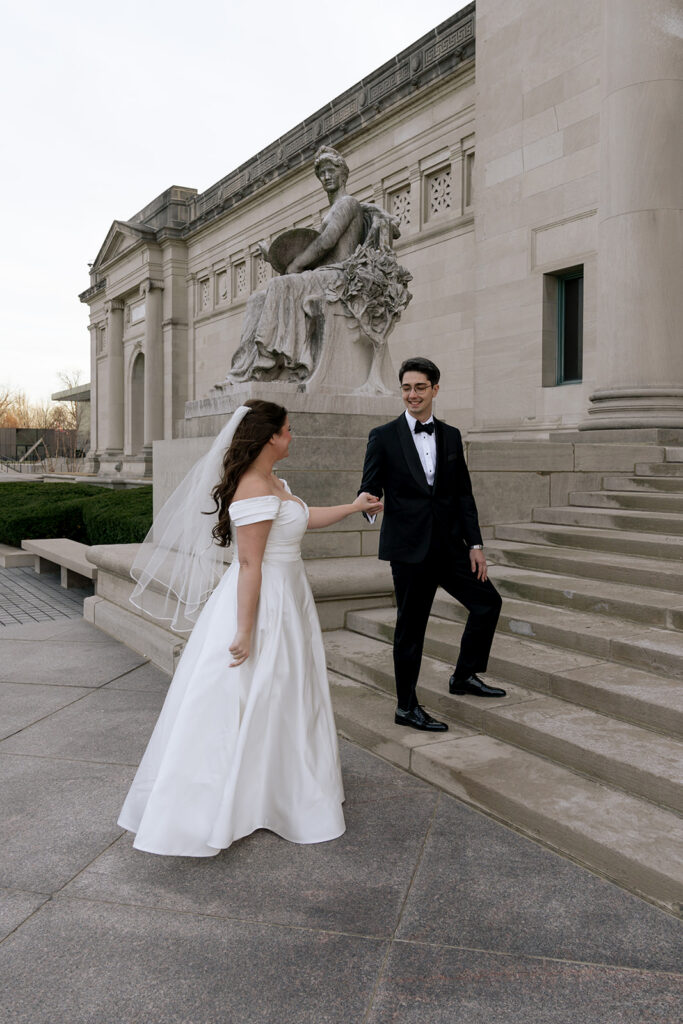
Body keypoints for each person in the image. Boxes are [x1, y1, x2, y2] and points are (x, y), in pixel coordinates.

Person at [118, 399, 382, 855]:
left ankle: (280, 788)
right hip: (267, 602)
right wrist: (244, 630)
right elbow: (248, 563)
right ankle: (233, 798)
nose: (292, 435)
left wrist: (352, 505)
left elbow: (303, 519)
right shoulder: (254, 490)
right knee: (259, 689)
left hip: (289, 595)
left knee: (285, 690)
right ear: (269, 438)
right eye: (287, 429)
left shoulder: (276, 484)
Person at [358, 357, 505, 732]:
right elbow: (369, 489)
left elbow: (463, 495)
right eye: (406, 387)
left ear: (434, 389)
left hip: (450, 547)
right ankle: (406, 707)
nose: (412, 394)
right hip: (408, 551)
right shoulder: (383, 436)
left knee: (487, 603)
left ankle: (464, 676)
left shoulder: (452, 435)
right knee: (411, 629)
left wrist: (475, 544)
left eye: (420, 387)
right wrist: (370, 506)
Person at [224, 146, 367, 383]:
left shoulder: (348, 204)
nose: (326, 177)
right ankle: (245, 368)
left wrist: (294, 266)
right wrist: (274, 257)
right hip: (321, 274)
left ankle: (271, 359)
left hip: (338, 276)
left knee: (281, 285)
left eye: (330, 171)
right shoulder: (330, 210)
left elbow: (325, 242)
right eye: (321, 173)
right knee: (258, 299)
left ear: (343, 173)